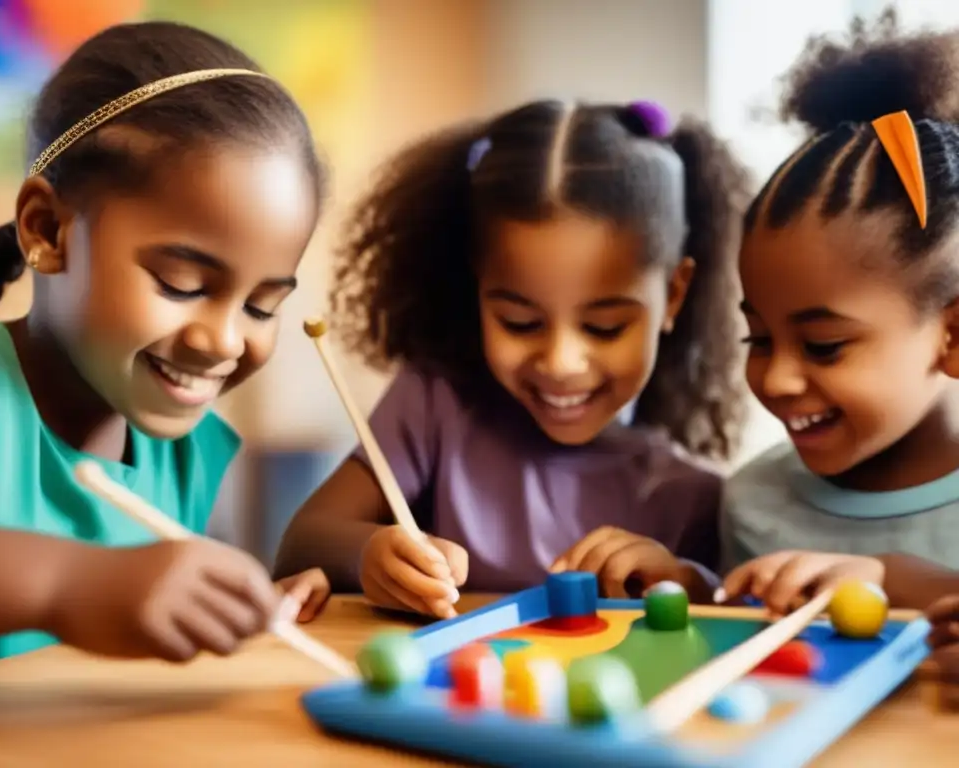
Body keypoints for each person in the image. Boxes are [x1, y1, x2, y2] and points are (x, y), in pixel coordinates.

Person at [0, 20, 330, 678]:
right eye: (181, 284)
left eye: (263, 306)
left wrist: (242, 608)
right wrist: (70, 585)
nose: (223, 340)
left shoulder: (188, 453)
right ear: (48, 231)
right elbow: (98, 589)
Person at [274, 98, 752, 618]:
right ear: (477, 285)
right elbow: (302, 542)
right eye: (520, 323)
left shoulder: (692, 495)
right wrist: (370, 554)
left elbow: (734, 610)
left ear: (675, 295)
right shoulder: (434, 406)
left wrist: (682, 581)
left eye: (604, 327)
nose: (561, 361)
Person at [720, 11, 959, 614]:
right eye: (758, 338)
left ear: (952, 336)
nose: (774, 380)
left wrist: (894, 577)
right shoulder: (753, 504)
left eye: (823, 345)